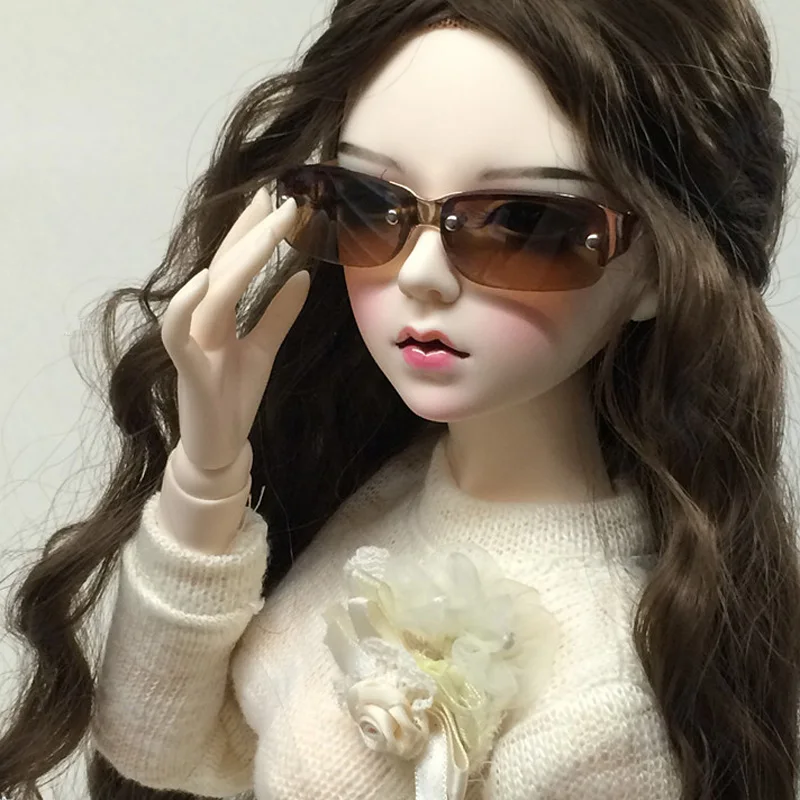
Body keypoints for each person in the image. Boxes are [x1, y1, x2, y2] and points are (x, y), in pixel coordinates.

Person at [1, 0, 799, 798]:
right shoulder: (393, 487)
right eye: (370, 205)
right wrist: (207, 472)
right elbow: (166, 749)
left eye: (522, 224)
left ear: (661, 268)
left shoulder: (601, 707)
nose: (419, 274)